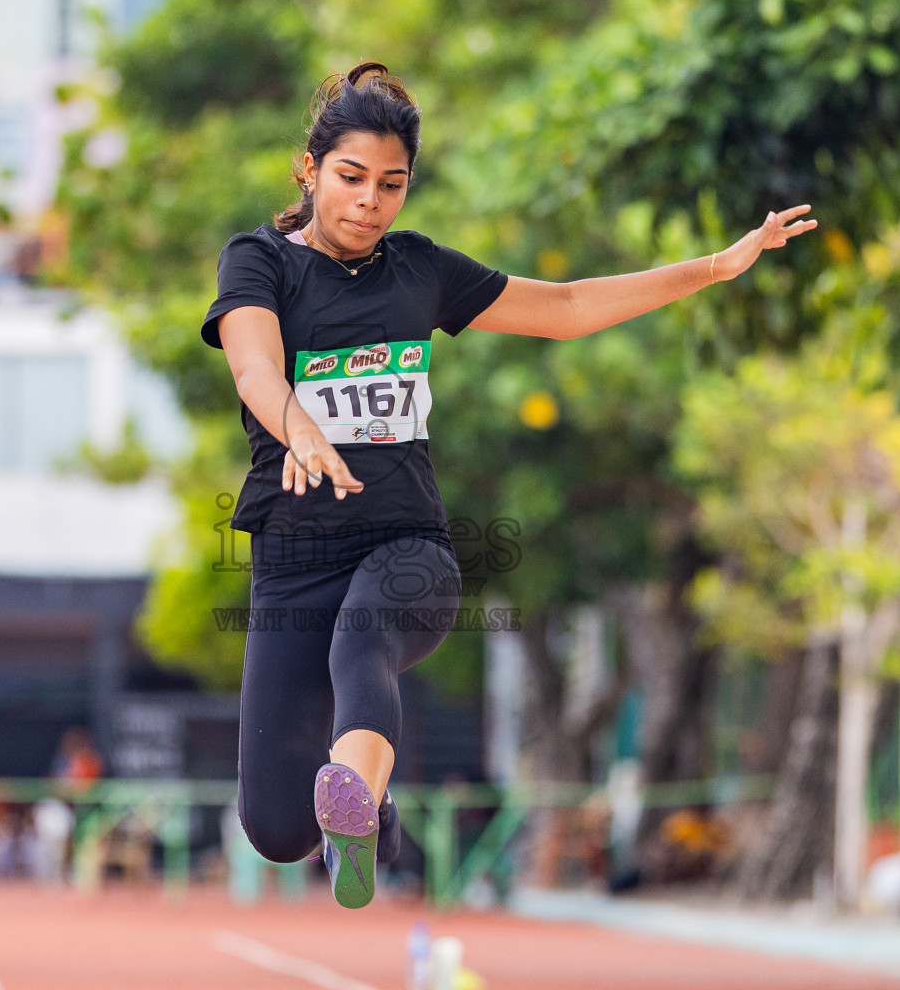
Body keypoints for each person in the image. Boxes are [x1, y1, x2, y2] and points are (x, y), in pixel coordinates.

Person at [202, 61, 817, 907]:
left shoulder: (419, 270)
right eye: (350, 179)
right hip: (295, 556)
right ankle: (367, 811)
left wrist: (713, 267)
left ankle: (356, 788)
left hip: (404, 547)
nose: (369, 202)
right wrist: (298, 425)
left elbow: (564, 308)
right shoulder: (259, 261)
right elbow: (253, 364)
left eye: (392, 184)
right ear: (309, 171)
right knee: (275, 829)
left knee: (362, 642)